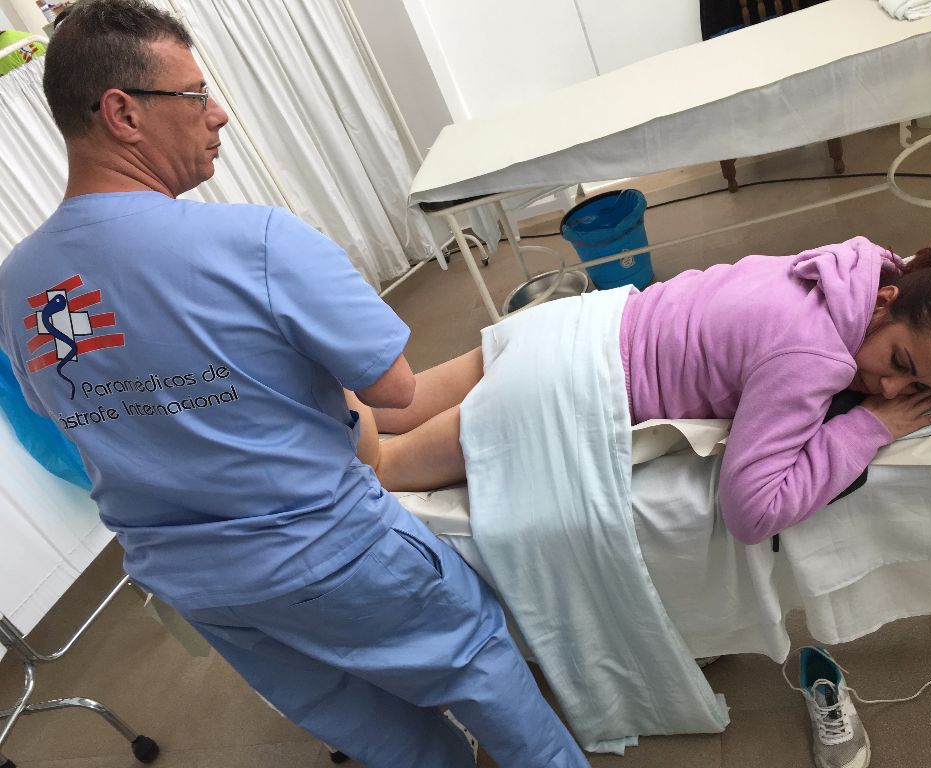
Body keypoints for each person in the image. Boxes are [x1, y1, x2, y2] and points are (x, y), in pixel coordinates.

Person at [0, 2, 589, 766]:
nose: (218, 114)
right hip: (328, 553)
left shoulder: (17, 288)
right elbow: (394, 390)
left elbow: (71, 415)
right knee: (476, 666)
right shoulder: (257, 242)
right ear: (123, 113)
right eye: (194, 95)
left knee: (377, 732)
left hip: (200, 587)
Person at [353, 232, 931, 543]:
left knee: (382, 407)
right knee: (381, 465)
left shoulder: (850, 263)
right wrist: (867, 427)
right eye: (898, 361)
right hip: (562, 385)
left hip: (573, 324)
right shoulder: (813, 355)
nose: (888, 386)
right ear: (884, 302)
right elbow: (751, 512)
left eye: (915, 386)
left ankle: (304, 401)